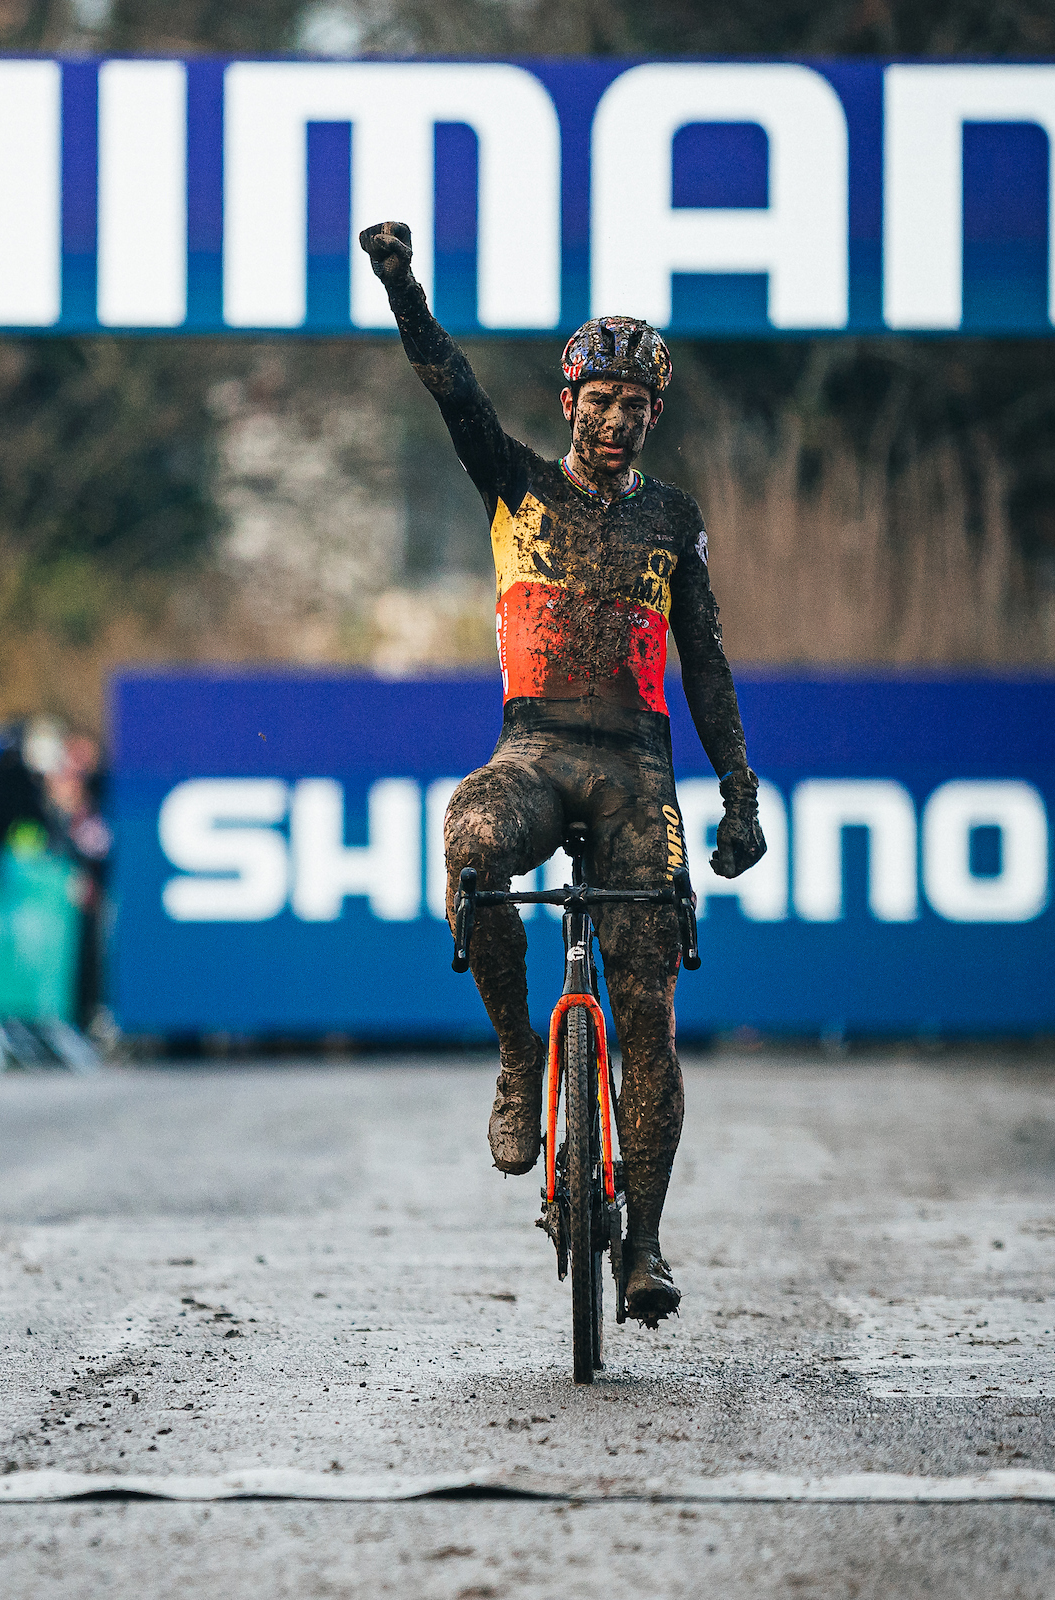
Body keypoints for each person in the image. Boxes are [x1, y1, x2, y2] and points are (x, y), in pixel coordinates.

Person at [358, 218, 766, 1326]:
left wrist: (739, 791)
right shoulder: (518, 486)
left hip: (638, 769)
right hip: (534, 748)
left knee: (648, 1009)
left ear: (652, 418)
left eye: (639, 407)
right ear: (572, 401)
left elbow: (708, 662)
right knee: (471, 842)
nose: (620, 419)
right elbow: (450, 387)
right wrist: (402, 284)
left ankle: (645, 1246)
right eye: (603, 401)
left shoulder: (673, 521)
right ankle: (511, 1056)